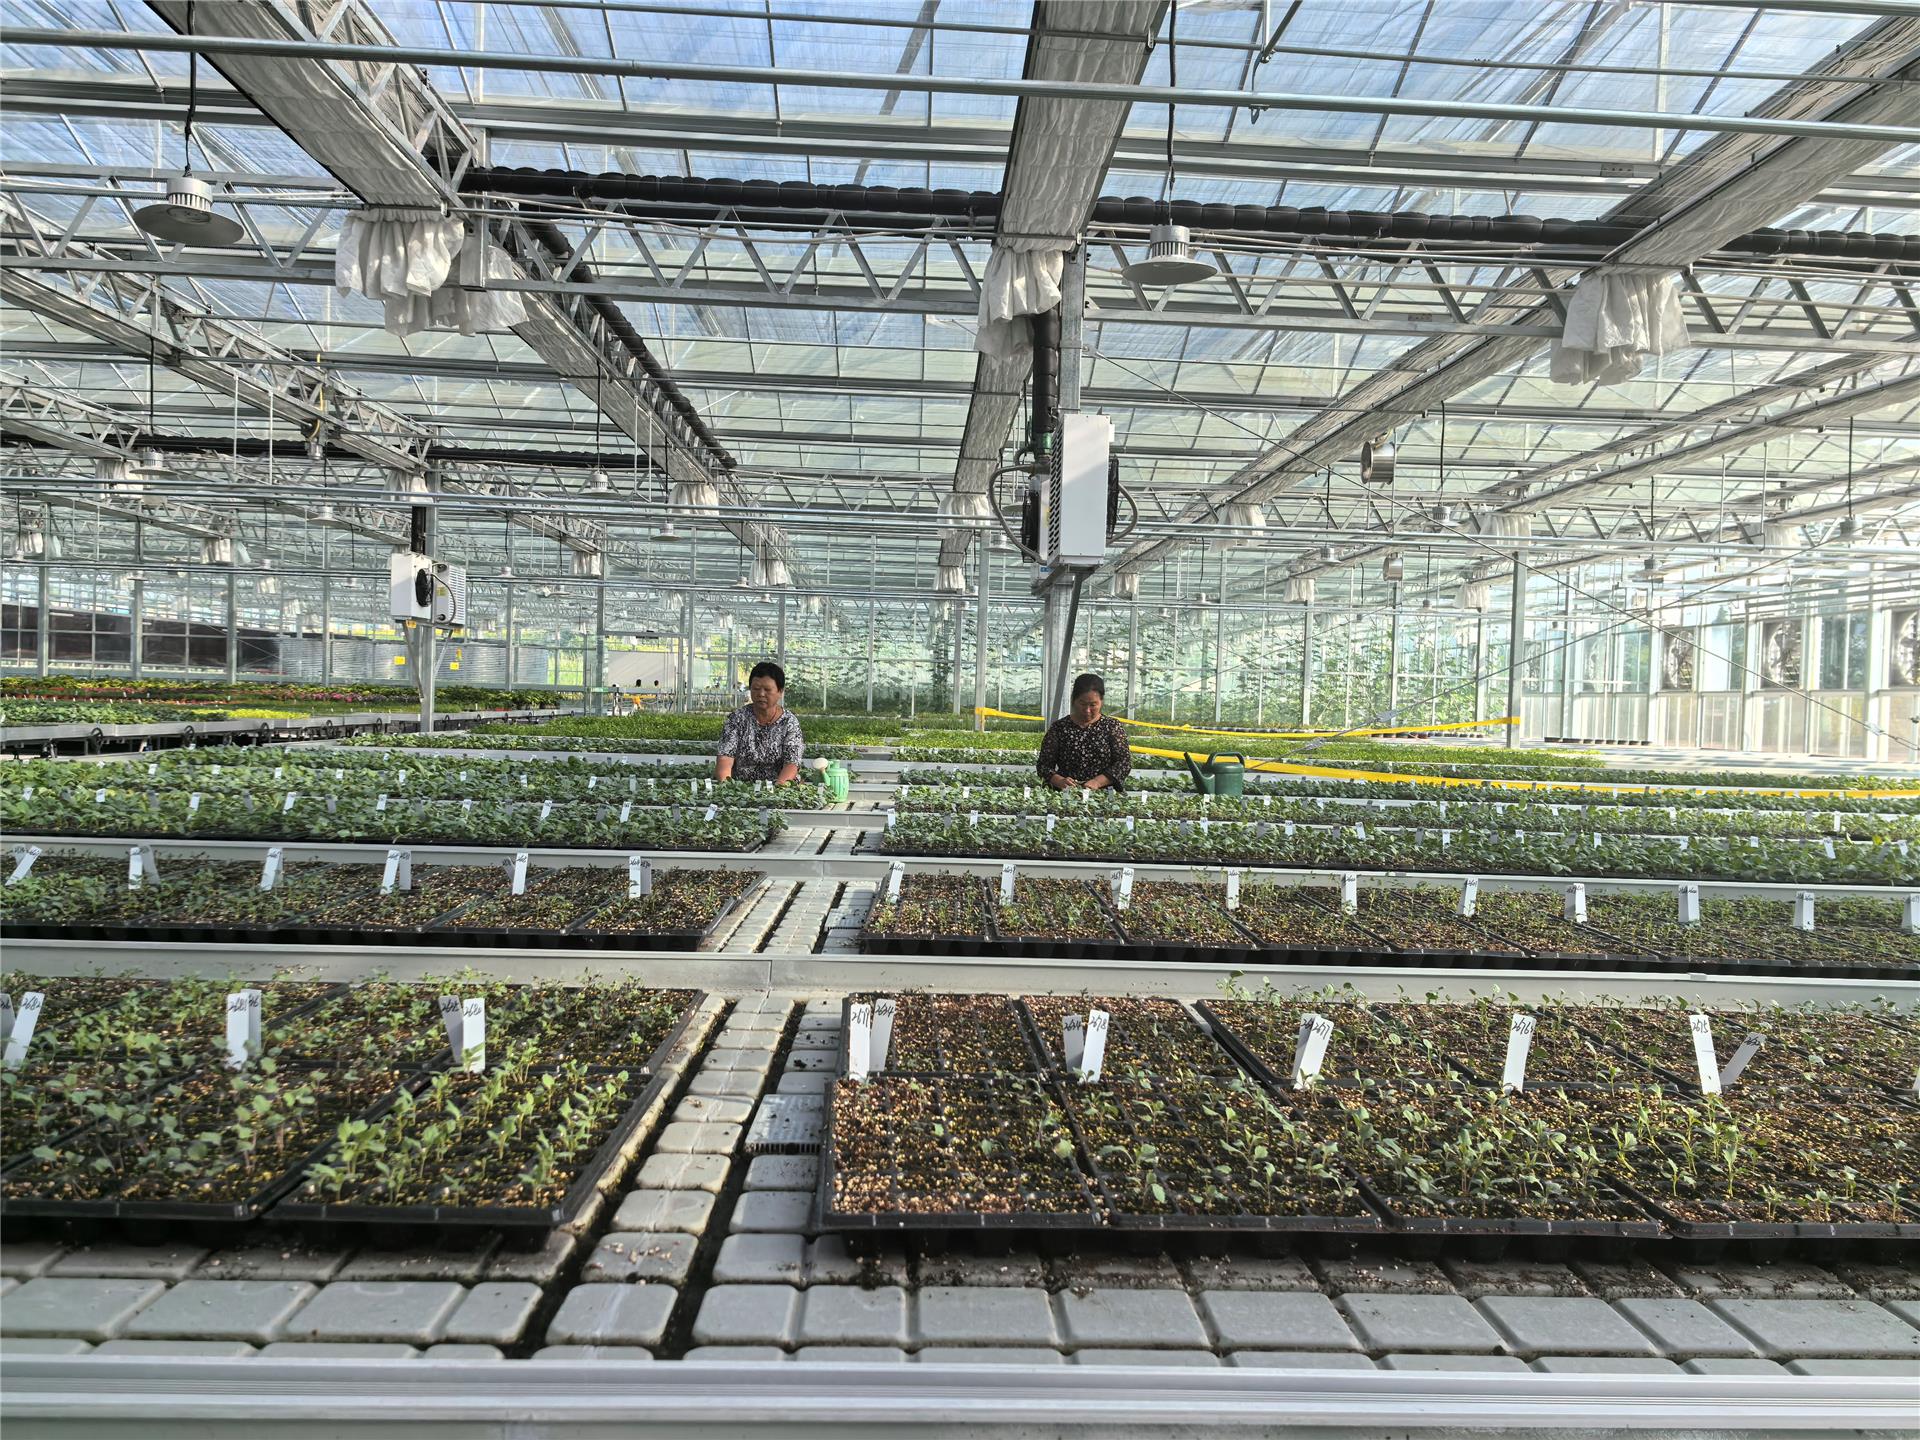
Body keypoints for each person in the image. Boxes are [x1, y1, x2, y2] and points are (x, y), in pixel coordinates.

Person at [1037, 672, 1131, 792]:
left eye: (1093, 705)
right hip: (1066, 793)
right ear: (1073, 700)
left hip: (1104, 793)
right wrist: (1059, 781)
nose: (1087, 710)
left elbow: (1123, 763)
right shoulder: (1059, 728)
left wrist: (1097, 782)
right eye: (1082, 704)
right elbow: (1043, 766)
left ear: (1101, 701)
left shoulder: (1112, 727)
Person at [716, 660, 804, 785]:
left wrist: (777, 790)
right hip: (741, 787)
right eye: (756, 689)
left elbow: (792, 763)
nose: (761, 694)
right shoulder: (737, 719)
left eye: (767, 690)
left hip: (780, 786)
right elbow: (725, 758)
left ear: (780, 691)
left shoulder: (789, 722)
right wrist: (727, 788)